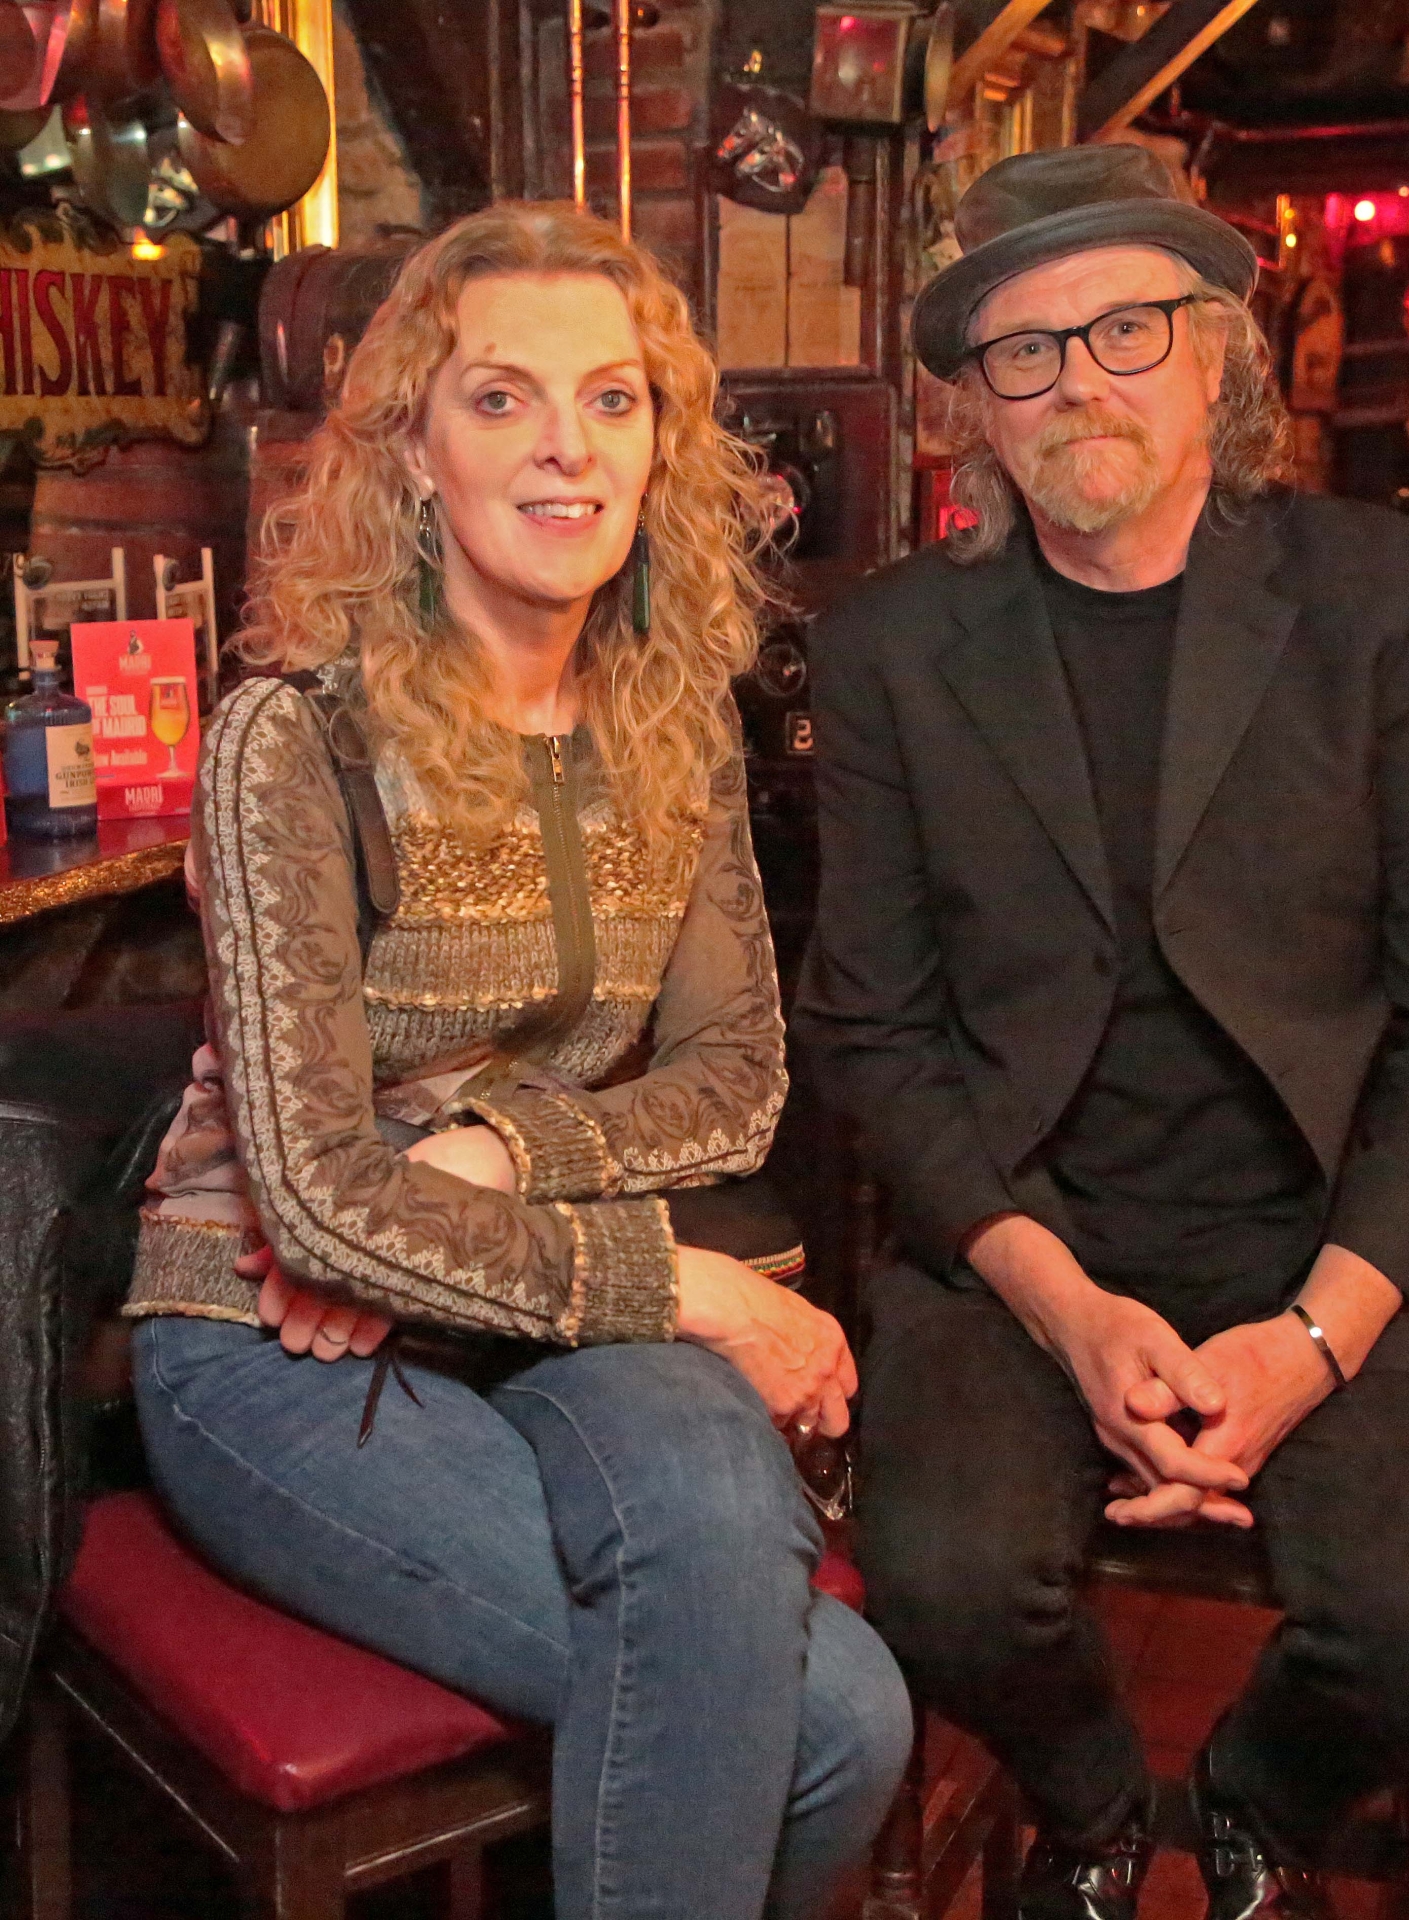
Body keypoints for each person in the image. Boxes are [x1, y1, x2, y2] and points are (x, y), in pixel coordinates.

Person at [123, 200, 909, 1920]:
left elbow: (733, 1083)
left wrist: (485, 1149)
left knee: (851, 1709)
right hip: (267, 1335)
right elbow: (315, 1210)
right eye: (501, 398)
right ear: (413, 449)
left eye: (612, 399)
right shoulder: (292, 736)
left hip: (535, 1303)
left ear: (660, 445)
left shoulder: (674, 724)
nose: (568, 446)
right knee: (824, 1720)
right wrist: (692, 1289)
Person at [792, 144, 1409, 1920]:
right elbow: (874, 1031)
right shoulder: (892, 648)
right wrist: (1064, 1308)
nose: (1077, 382)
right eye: (1024, 350)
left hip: (1332, 1221)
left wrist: (1312, 1338)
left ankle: (1252, 1801)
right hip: (1026, 1228)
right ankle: (1090, 1813)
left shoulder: (1385, 598)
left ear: (1216, 351)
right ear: (978, 407)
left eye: (1124, 328)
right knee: (943, 1582)